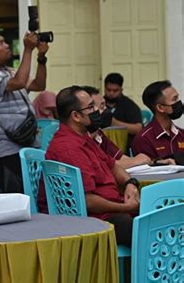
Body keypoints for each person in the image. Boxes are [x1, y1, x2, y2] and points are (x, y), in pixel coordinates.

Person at [38, 86, 140, 247]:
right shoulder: (69, 148)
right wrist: (124, 207)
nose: (96, 111)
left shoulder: (84, 138)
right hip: (95, 220)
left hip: (110, 210)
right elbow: (88, 201)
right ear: (76, 116)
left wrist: (130, 183)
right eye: (91, 107)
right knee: (150, 232)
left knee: (161, 216)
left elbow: (113, 166)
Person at [0, 31, 49, 193]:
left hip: (24, 139)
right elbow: (20, 82)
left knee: (31, 192)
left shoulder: (9, 71)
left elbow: (38, 85)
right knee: (14, 196)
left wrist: (41, 58)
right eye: (0, 43)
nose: (7, 45)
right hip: (6, 146)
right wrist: (28, 50)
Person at [82, 86, 152, 169]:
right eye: (102, 106)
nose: (106, 109)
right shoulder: (79, 140)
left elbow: (121, 157)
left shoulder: (99, 135)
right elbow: (100, 167)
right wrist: (134, 161)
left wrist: (154, 162)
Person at [131, 80, 184, 160]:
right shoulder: (143, 140)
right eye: (174, 99)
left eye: (178, 98)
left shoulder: (181, 134)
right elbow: (148, 170)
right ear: (160, 108)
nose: (179, 103)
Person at [104, 72, 142, 150]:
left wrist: (114, 123)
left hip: (124, 149)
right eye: (108, 90)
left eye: (115, 90)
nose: (111, 93)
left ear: (121, 90)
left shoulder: (129, 106)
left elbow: (138, 129)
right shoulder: (98, 103)